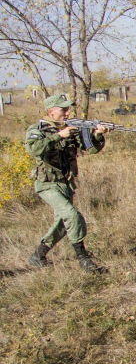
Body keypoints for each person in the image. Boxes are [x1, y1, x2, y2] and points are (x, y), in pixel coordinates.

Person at [25, 93, 110, 272]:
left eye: (67, 109)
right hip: (47, 184)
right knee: (72, 216)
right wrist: (58, 136)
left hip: (66, 184)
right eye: (63, 110)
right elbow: (33, 149)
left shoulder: (71, 128)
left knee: (63, 224)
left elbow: (91, 149)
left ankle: (38, 255)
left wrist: (97, 135)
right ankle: (83, 259)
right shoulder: (37, 129)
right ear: (51, 112)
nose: (67, 113)